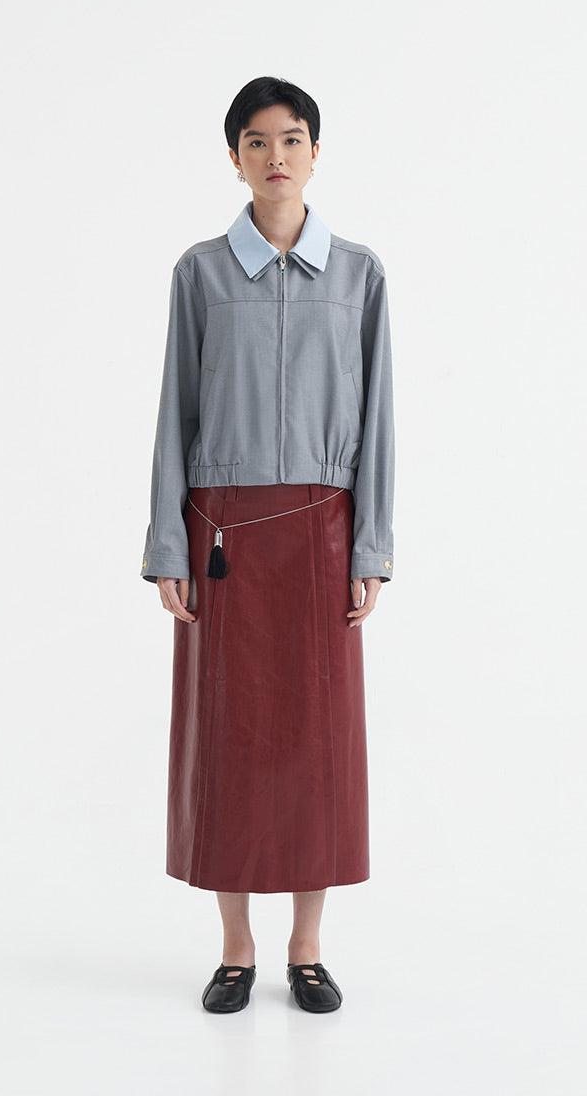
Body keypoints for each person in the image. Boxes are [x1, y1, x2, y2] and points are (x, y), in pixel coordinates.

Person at [140, 76, 395, 1014]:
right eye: (257, 141)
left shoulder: (360, 275)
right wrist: (168, 544)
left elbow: (380, 420)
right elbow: (174, 413)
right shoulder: (201, 273)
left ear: (315, 153)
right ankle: (237, 949)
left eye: (291, 139)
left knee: (318, 744)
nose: (276, 155)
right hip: (223, 539)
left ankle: (308, 948)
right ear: (235, 157)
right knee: (231, 741)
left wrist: (371, 547)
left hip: (325, 532)